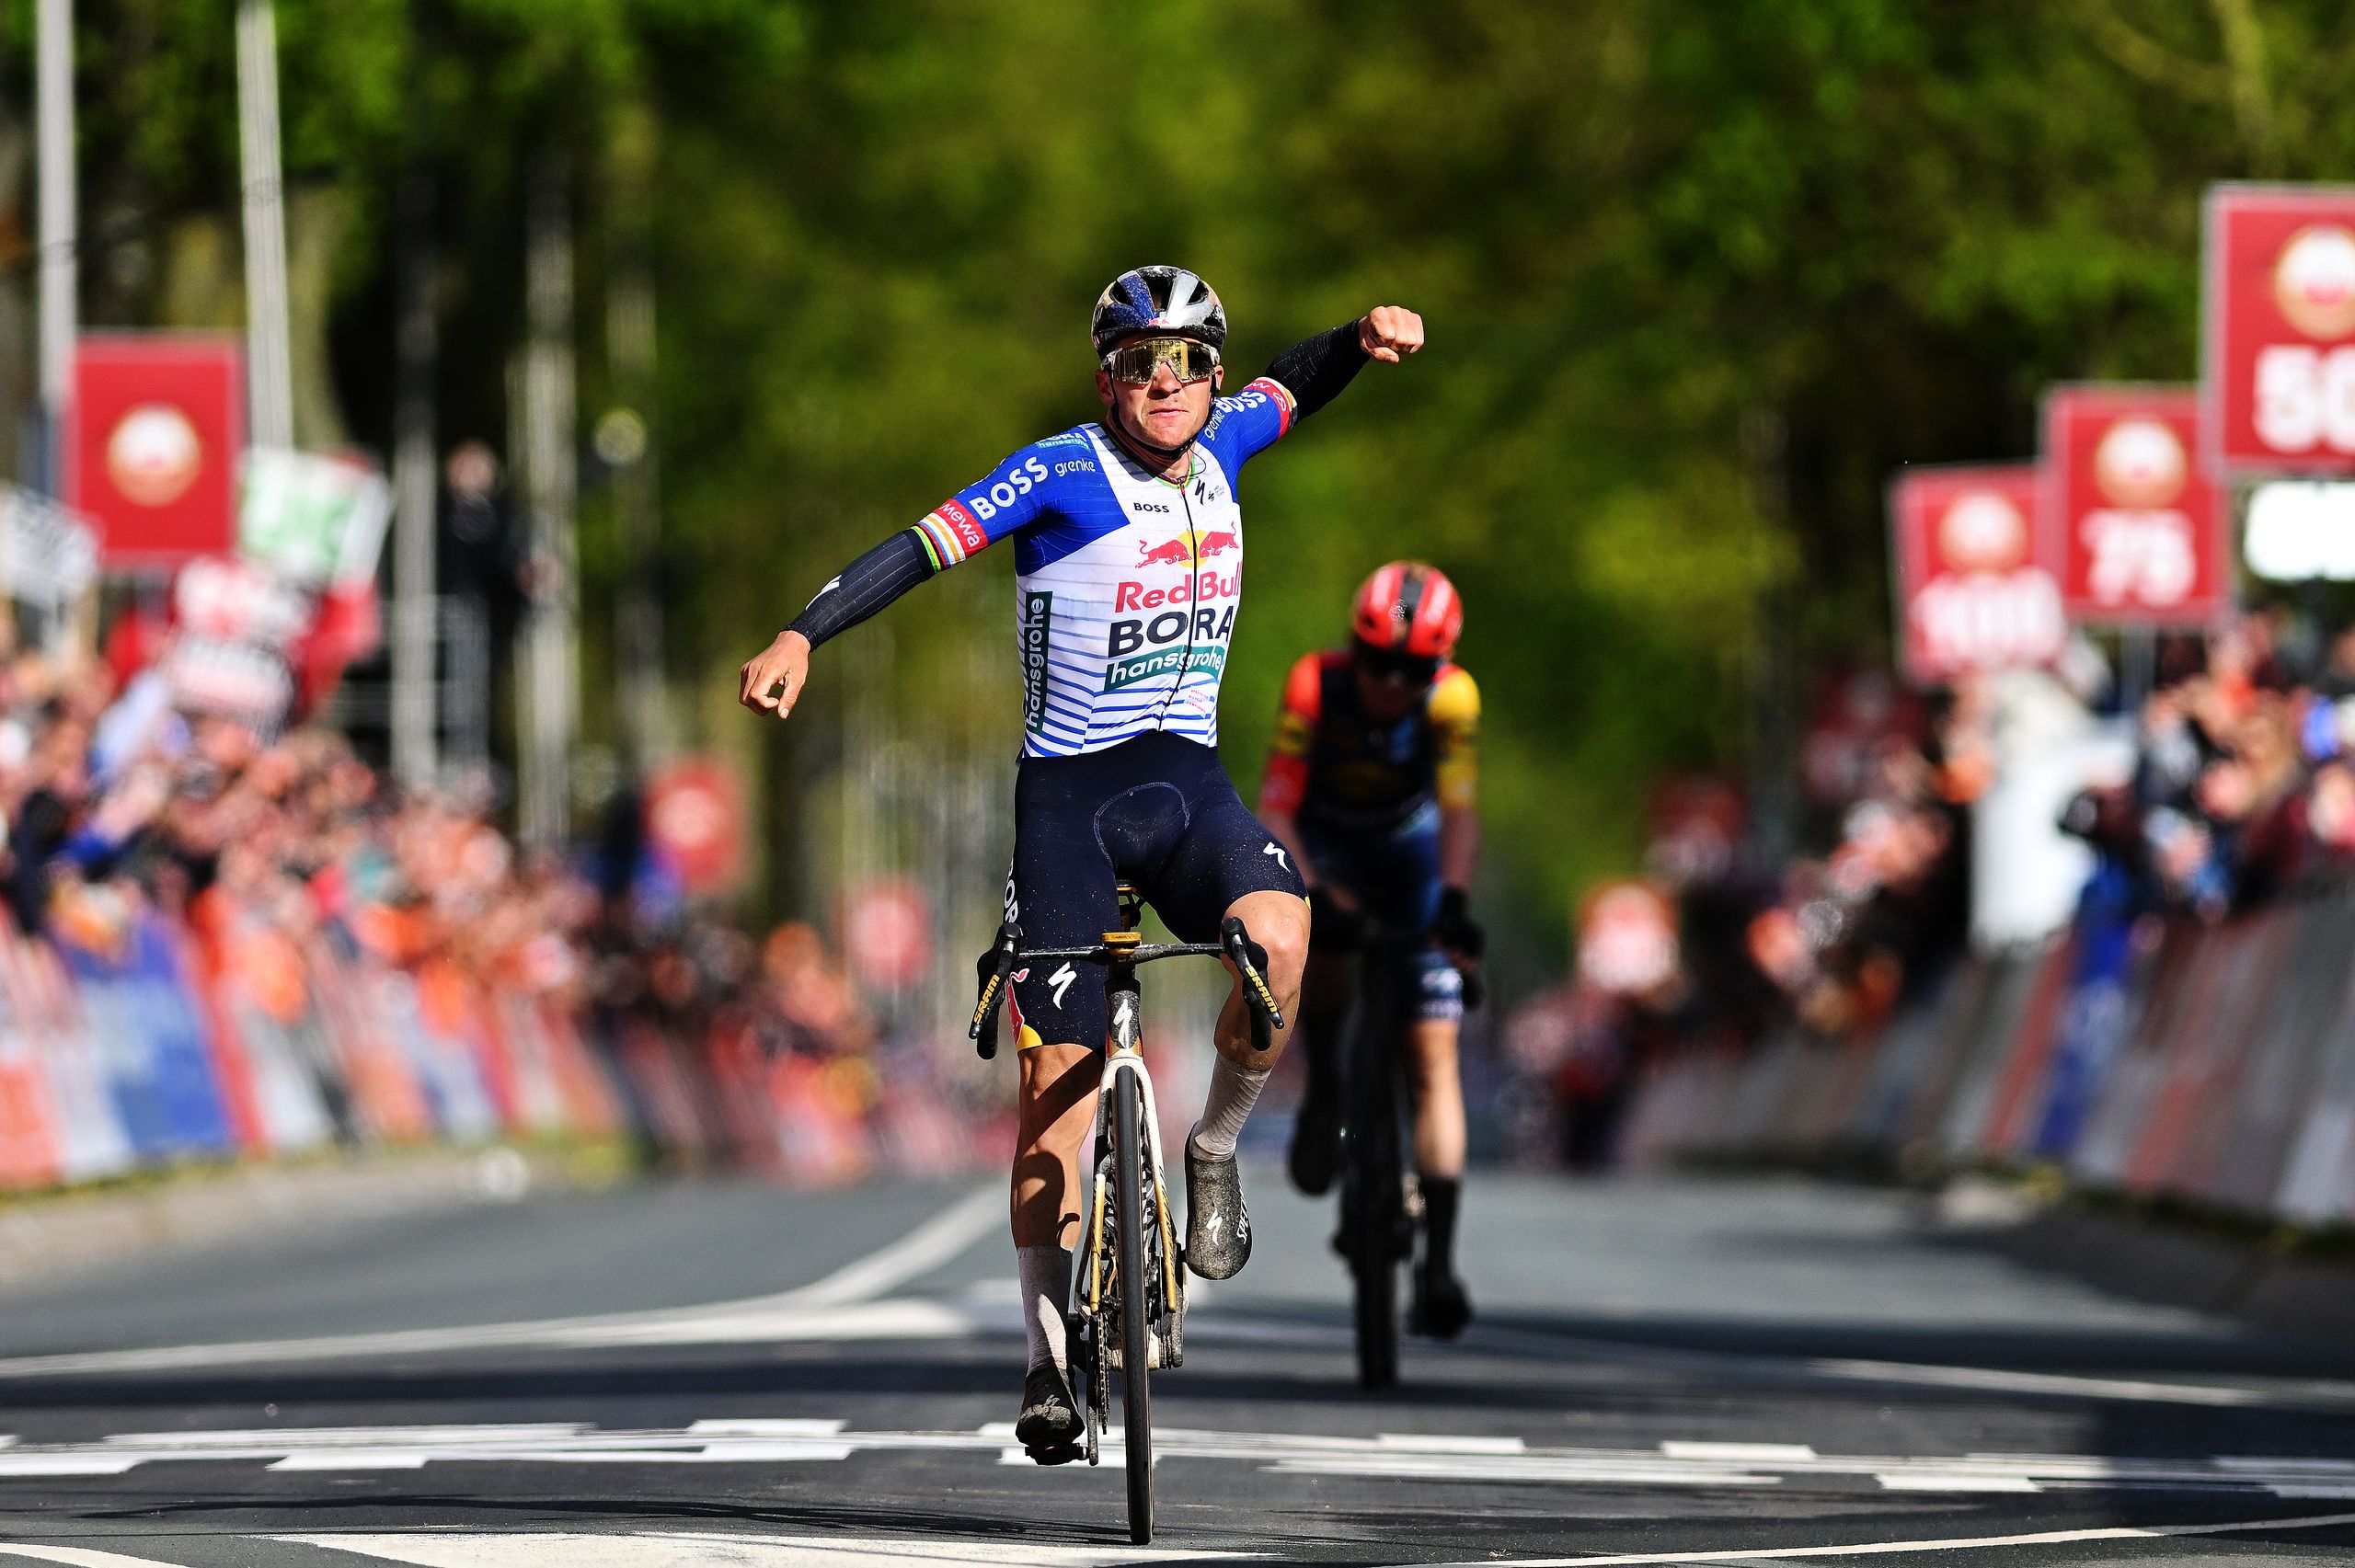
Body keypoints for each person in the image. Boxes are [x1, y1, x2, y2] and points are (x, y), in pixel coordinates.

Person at [739, 266, 1424, 1460]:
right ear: (1106, 375)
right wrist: (806, 630)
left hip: (1191, 791)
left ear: (1213, 372)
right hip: (1068, 801)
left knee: (1284, 940)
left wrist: (1359, 341)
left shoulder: (1230, 443)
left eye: (1189, 361)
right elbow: (919, 546)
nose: (1169, 384)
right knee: (1054, 1090)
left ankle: (1211, 1152)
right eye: (1141, 363)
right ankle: (1047, 1362)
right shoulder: (1061, 471)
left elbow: (1296, 385)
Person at [1258, 561, 1482, 1339]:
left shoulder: (1453, 697)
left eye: (1411, 670)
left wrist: (1454, 900)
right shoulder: (1315, 685)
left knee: (1433, 1053)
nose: (1390, 683)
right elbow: (1277, 806)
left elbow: (1459, 808)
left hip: (1409, 853)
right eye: (1376, 662)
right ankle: (1323, 1087)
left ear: (1438, 667)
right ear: (1354, 646)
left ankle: (1442, 1264)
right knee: (1324, 956)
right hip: (1327, 846)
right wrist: (1314, 893)